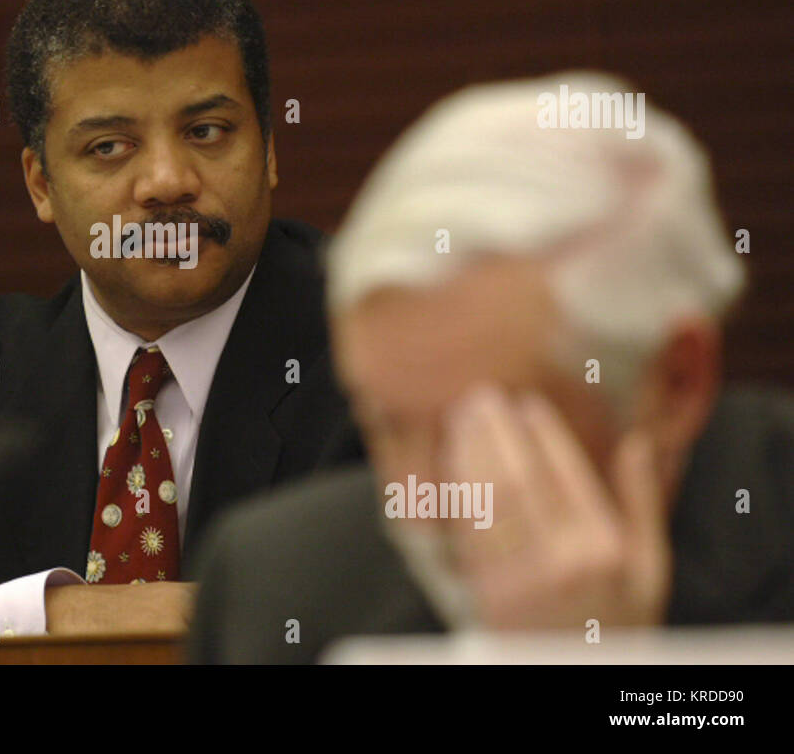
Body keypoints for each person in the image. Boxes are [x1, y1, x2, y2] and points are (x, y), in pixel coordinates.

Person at [0, 0, 364, 637]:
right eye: (110, 147)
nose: (167, 180)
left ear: (267, 153)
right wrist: (42, 614)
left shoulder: (384, 357)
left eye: (207, 131)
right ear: (41, 184)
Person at [190, 71, 794, 663]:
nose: (420, 504)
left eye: (478, 426)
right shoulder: (270, 581)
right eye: (389, 426)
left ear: (676, 383)